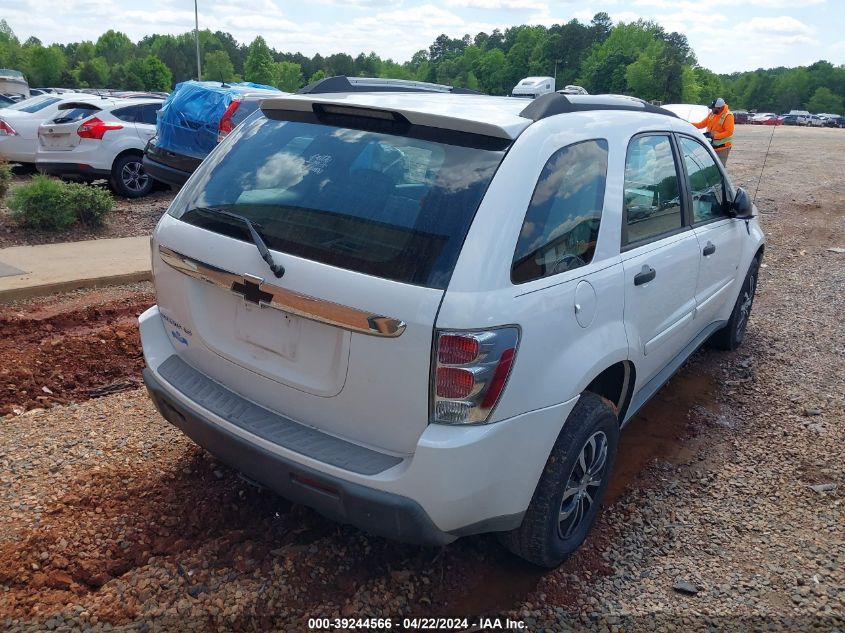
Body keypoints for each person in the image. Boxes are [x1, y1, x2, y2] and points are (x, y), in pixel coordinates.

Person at [694, 98, 734, 166]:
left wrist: (714, 136)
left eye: (713, 108)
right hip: (712, 146)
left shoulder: (728, 116)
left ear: (719, 108)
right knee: (711, 167)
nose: (712, 110)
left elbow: (729, 132)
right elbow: (701, 125)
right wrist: (687, 124)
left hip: (723, 148)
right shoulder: (712, 114)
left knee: (719, 167)